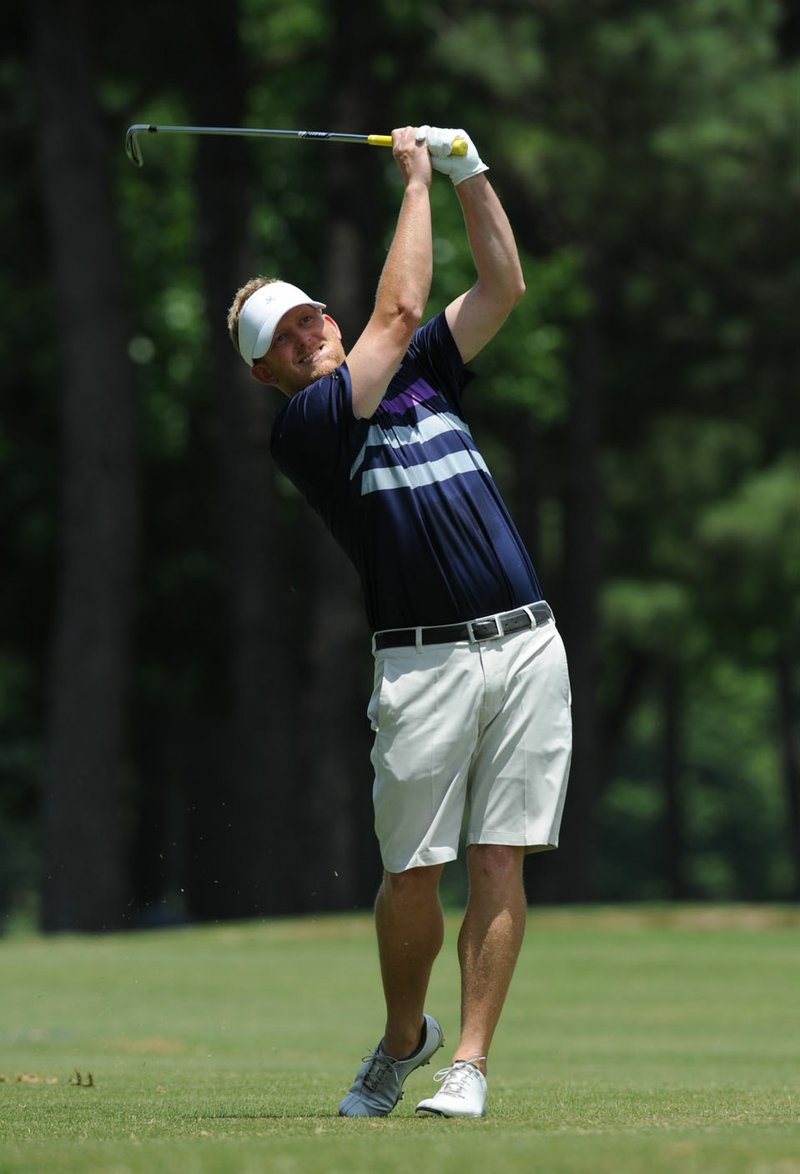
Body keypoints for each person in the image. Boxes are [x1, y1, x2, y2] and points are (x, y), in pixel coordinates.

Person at [226, 125, 572, 1119]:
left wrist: (468, 174)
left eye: (304, 317)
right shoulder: (309, 424)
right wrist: (415, 181)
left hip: (523, 641)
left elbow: (501, 286)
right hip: (418, 666)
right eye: (280, 341)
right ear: (268, 374)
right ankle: (399, 1037)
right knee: (410, 872)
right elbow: (402, 302)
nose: (304, 334)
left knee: (497, 853)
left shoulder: (422, 369)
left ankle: (465, 1061)